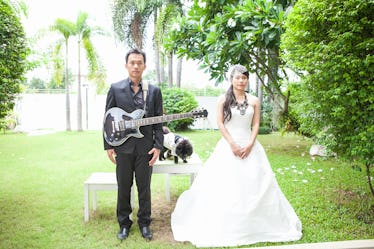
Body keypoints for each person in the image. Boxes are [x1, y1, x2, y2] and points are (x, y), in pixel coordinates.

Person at [171, 64, 302, 247]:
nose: (241, 81)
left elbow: (256, 125)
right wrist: (232, 144)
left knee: (257, 184)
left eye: (244, 77)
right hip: (228, 146)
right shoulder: (223, 99)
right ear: (231, 79)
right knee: (226, 186)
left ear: (247, 79)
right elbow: (220, 124)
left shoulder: (254, 100)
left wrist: (250, 144)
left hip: (250, 146)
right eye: (238, 77)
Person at [103, 48, 164, 241]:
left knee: (144, 187)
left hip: (146, 147)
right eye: (132, 62)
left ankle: (145, 223)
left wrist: (158, 146)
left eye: (139, 62)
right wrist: (108, 145)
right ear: (126, 65)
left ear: (144, 66)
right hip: (123, 147)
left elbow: (158, 121)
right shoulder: (115, 88)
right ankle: (124, 224)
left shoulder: (154, 91)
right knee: (124, 186)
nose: (136, 66)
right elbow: (107, 119)